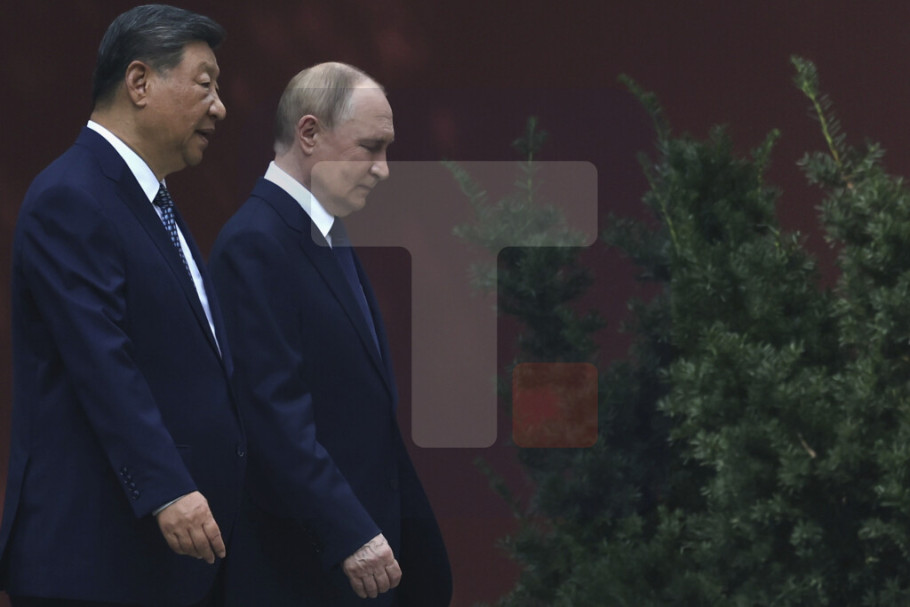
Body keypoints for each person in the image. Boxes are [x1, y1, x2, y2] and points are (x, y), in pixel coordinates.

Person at [0, 5, 246, 606]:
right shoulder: (71, 196)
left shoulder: (153, 203)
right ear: (140, 82)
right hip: (99, 559)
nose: (220, 108)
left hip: (172, 562)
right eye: (205, 84)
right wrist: (168, 490)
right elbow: (103, 362)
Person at [209, 62, 452, 606]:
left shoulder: (323, 233)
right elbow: (273, 417)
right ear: (309, 133)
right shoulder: (256, 244)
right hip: (305, 569)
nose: (383, 169)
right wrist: (348, 533)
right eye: (370, 147)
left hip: (357, 564)